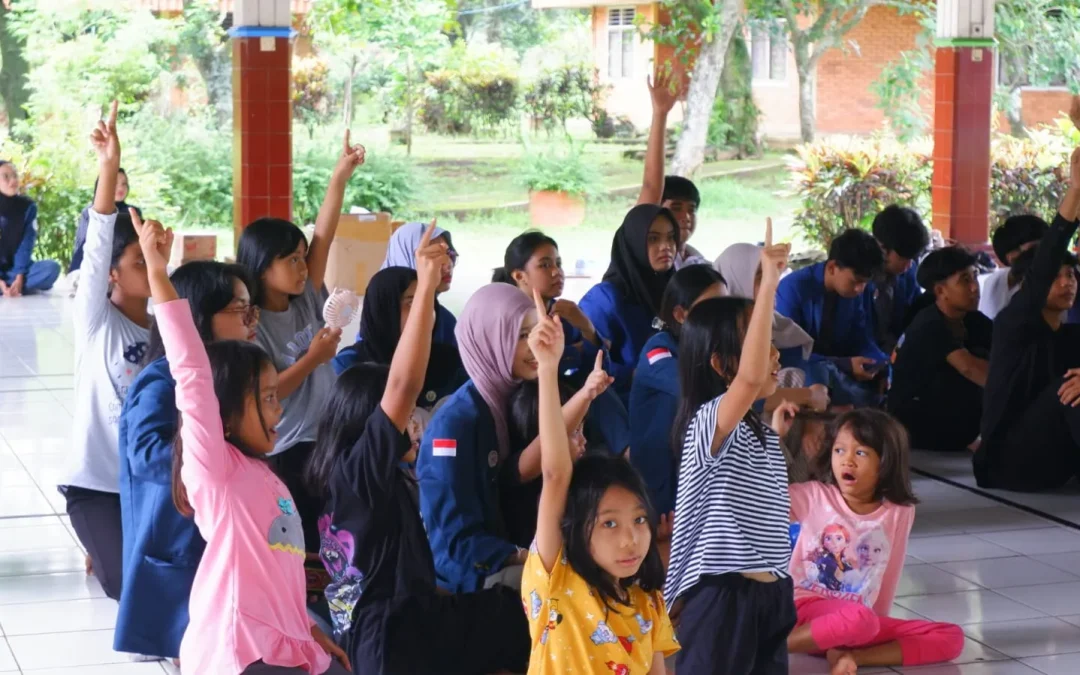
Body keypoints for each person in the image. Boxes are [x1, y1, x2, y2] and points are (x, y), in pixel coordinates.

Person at [306, 223, 529, 675]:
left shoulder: (354, 480)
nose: (413, 425)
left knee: (507, 613)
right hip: (392, 640)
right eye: (402, 420)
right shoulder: (359, 477)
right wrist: (425, 286)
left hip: (396, 622)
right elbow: (404, 384)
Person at [133, 211, 348, 675]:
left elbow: (277, 569)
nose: (277, 409)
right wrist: (156, 271)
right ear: (225, 411)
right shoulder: (215, 469)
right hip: (241, 652)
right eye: (267, 398)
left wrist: (307, 629)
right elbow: (190, 370)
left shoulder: (262, 473)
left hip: (285, 641)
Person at [521, 288, 680, 674]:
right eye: (609, 523)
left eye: (639, 520)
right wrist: (547, 368)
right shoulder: (557, 579)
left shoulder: (648, 601)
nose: (631, 539)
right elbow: (556, 474)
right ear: (575, 527)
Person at [665, 222, 796, 674]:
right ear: (721, 365)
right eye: (763, 347)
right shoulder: (708, 421)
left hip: (770, 592)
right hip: (722, 597)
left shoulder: (751, 426)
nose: (774, 356)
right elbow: (752, 377)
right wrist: (769, 287)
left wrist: (775, 432)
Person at [116, 260, 259, 661]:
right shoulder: (162, 379)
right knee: (194, 646)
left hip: (215, 536)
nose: (251, 321)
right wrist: (213, 462)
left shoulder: (227, 375)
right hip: (176, 538)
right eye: (238, 309)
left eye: (252, 310)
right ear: (198, 315)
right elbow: (146, 455)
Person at [236, 131, 364, 553]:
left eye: (301, 257)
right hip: (291, 445)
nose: (301, 266)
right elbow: (267, 389)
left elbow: (324, 235)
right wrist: (314, 358)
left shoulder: (307, 295)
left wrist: (339, 178)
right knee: (307, 540)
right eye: (289, 259)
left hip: (330, 434)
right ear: (261, 266)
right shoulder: (250, 323)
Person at [57, 102, 152, 603]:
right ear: (112, 274)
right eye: (139, 260)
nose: (150, 266)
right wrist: (108, 164)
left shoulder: (168, 327)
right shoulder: (96, 318)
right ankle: (101, 543)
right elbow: (97, 242)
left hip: (152, 482)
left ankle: (109, 549)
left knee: (172, 574)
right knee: (129, 589)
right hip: (96, 483)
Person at [786, 410, 963, 674]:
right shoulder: (811, 496)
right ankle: (774, 645)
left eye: (860, 453)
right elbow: (761, 494)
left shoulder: (898, 511)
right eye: (839, 450)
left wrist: (873, 625)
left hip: (853, 624)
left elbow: (889, 573)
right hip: (801, 612)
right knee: (859, 618)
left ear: (886, 462)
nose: (847, 461)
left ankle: (853, 656)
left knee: (952, 638)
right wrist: (776, 436)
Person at [974, 146, 1080, 491]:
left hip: (1054, 463)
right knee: (1071, 390)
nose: (1067, 283)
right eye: (1057, 276)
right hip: (1007, 463)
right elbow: (1045, 261)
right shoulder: (1013, 325)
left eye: (1072, 275)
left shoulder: (1070, 333)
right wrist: (1075, 191)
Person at [492, 230, 631, 456]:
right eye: (545, 265)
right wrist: (567, 355)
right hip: (527, 399)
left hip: (566, 395)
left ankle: (626, 455)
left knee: (599, 387)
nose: (557, 272)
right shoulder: (506, 317)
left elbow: (595, 365)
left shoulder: (564, 314)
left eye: (558, 263)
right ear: (519, 276)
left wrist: (586, 327)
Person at [629, 264, 726, 516]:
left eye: (724, 305)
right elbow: (704, 392)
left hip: (691, 480)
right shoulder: (658, 349)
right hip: (659, 492)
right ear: (681, 314)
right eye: (711, 307)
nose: (721, 315)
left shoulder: (709, 350)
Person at [502, 353, 616, 549]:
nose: (584, 440)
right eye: (574, 431)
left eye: (582, 429)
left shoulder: (584, 477)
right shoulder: (520, 483)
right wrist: (586, 394)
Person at [888, 247, 991, 452]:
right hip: (916, 424)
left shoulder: (975, 321)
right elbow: (970, 369)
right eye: (964, 280)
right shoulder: (929, 324)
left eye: (975, 277)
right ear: (940, 291)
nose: (974, 287)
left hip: (950, 416)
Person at [579, 204, 679, 404]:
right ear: (634, 243)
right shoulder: (605, 299)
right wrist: (634, 375)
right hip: (625, 408)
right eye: (653, 239)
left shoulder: (677, 289)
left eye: (670, 237)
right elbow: (588, 365)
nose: (665, 246)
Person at [776, 228, 888, 407]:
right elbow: (788, 353)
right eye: (856, 281)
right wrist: (844, 364)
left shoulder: (853, 293)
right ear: (831, 267)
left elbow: (860, 336)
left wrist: (879, 363)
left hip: (836, 369)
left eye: (865, 283)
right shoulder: (794, 289)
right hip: (803, 372)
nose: (860, 289)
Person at [332, 266, 466, 412]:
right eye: (410, 303)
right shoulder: (349, 366)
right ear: (384, 311)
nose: (424, 310)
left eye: (427, 300)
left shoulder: (450, 362)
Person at [635, 70, 705, 269]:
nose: (686, 217)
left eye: (692, 209)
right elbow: (651, 185)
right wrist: (660, 114)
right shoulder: (641, 255)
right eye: (676, 208)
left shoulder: (700, 265)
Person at [379, 220, 458, 347]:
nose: (448, 266)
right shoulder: (379, 317)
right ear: (404, 257)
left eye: (450, 254)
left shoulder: (445, 320)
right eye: (434, 256)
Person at [864, 206, 929, 354]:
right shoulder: (857, 278)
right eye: (903, 258)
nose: (909, 265)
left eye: (912, 258)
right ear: (881, 247)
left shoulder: (908, 272)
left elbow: (914, 314)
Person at [0, 161, 60, 296]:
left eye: (15, 175)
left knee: (51, 268)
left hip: (15, 271)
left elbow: (26, 243)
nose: (13, 180)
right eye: (6, 177)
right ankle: (12, 287)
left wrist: (19, 275)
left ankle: (15, 285)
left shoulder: (27, 206)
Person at [70, 167, 143, 274]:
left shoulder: (133, 212)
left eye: (124, 184)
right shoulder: (91, 212)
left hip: (123, 271)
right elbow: (82, 245)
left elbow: (137, 247)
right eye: (115, 183)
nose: (120, 188)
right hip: (94, 268)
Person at [979, 215, 1047, 320]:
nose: (1045, 254)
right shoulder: (994, 283)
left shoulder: (1058, 279)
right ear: (1011, 256)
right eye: (1035, 248)